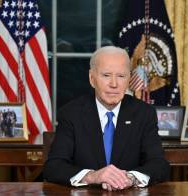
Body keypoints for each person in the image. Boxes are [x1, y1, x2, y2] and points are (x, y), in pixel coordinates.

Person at [44, 46, 170, 191]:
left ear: (129, 78)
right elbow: (53, 166)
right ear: (92, 79)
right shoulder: (71, 113)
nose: (114, 84)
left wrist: (130, 178)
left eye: (121, 76)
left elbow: (159, 164)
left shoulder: (144, 113)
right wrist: (93, 176)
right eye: (106, 75)